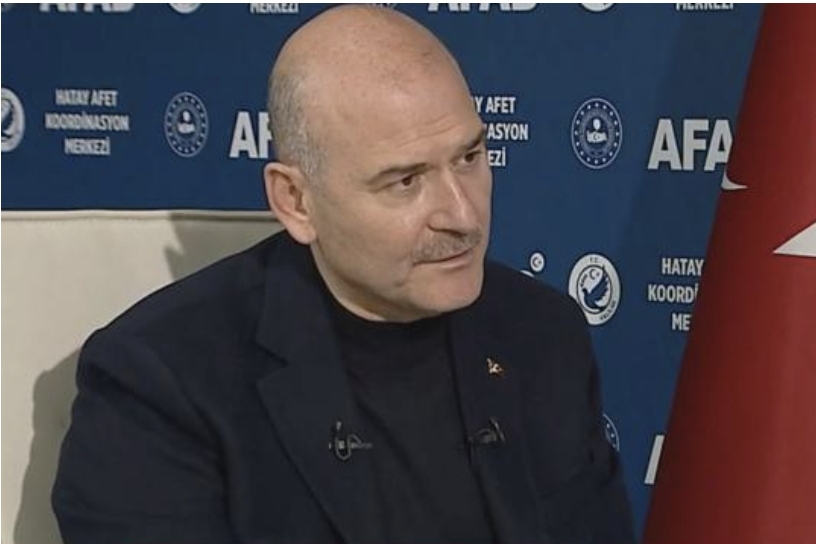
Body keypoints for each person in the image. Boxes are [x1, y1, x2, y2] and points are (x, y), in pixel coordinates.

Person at [52, 5, 634, 544]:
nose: (463, 215)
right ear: (296, 202)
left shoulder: (541, 332)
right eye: (406, 181)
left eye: (469, 158)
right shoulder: (159, 384)